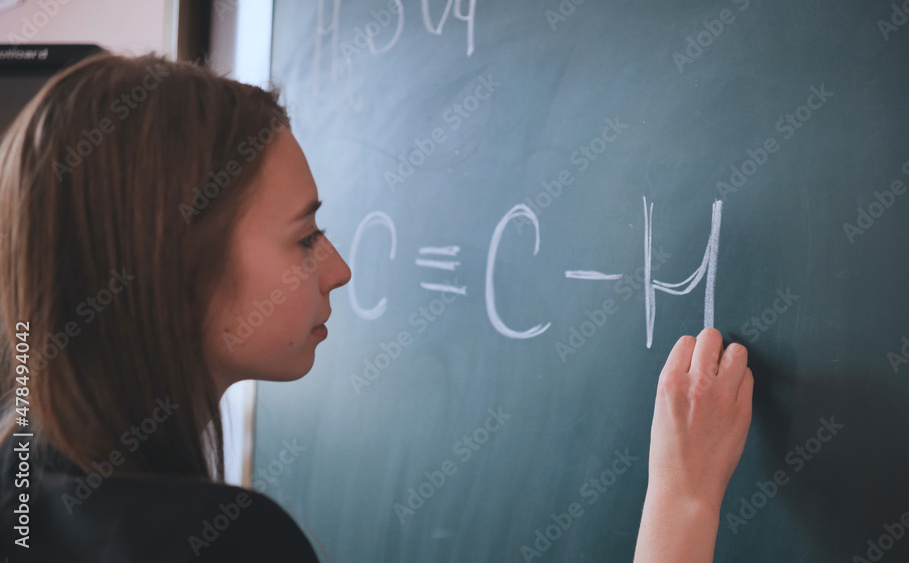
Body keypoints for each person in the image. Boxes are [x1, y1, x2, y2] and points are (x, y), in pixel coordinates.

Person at [0, 52, 752, 562]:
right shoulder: (222, 542)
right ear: (175, 275)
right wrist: (683, 503)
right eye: (305, 238)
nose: (340, 267)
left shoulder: (20, 485)